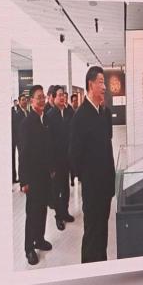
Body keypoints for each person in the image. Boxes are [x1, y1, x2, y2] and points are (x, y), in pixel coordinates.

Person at [69, 66, 115, 264]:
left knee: (102, 229)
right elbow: (74, 156)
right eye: (101, 82)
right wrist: (88, 179)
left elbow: (107, 145)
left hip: (105, 186)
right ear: (90, 84)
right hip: (92, 187)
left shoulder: (103, 113)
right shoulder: (80, 117)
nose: (104, 87)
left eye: (104, 83)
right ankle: (88, 270)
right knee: (92, 232)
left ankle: (101, 264)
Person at [19, 84, 54, 266]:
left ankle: (39, 239)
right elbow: (23, 153)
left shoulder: (44, 119)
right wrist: (23, 180)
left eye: (43, 97)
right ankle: (28, 248)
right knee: (32, 213)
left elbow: (47, 147)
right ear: (31, 100)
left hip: (44, 175)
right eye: (38, 97)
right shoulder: (27, 123)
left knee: (42, 209)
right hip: (32, 177)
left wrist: (52, 168)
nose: (42, 100)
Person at [46, 86, 74, 229]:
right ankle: (58, 216)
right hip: (56, 161)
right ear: (53, 97)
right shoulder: (50, 115)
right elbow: (48, 142)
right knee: (56, 190)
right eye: (59, 95)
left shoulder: (69, 112)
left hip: (67, 159)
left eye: (64, 95)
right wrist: (51, 166)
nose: (62, 97)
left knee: (66, 188)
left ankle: (65, 212)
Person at [11, 94, 27, 183]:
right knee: (21, 160)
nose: (25, 101)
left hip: (26, 140)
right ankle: (21, 179)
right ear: (19, 102)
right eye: (23, 100)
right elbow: (17, 128)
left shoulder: (27, 112)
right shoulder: (18, 113)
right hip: (20, 140)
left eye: (25, 99)